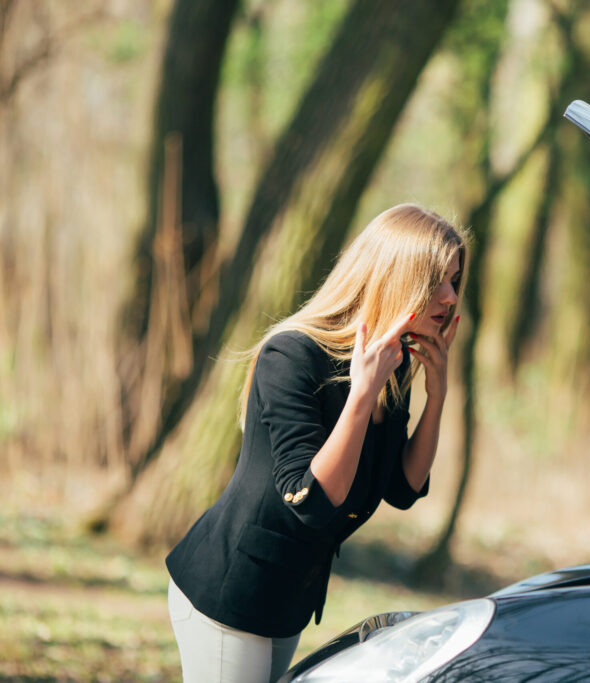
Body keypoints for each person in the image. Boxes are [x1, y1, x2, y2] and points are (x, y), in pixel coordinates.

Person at [165, 203, 467, 683]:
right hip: (230, 592)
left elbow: (403, 489)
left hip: (289, 599)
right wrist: (362, 396)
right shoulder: (292, 354)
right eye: (438, 281)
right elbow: (312, 498)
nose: (451, 297)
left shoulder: (395, 362)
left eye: (455, 280)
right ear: (396, 277)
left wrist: (438, 396)